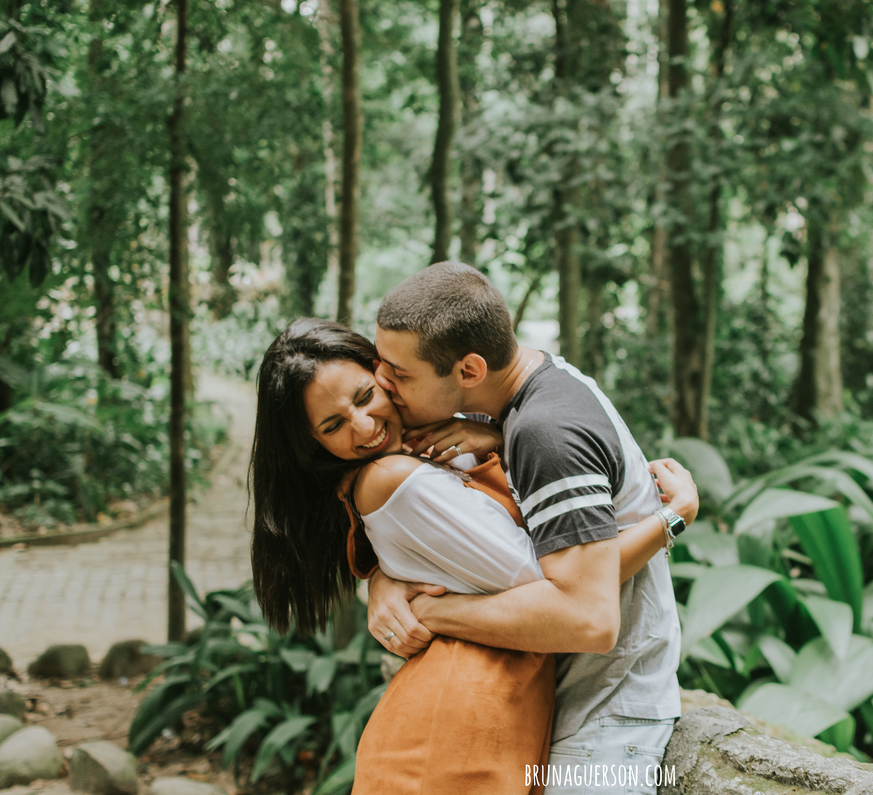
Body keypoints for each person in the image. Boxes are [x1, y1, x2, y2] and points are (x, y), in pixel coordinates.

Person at [248, 318, 698, 795]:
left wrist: (499, 437)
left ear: (384, 373)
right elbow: (559, 589)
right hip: (451, 741)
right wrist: (672, 518)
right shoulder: (393, 478)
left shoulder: (443, 443)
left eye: (364, 397)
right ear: (313, 444)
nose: (365, 426)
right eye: (333, 425)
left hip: (479, 730)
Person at [365, 262, 693, 794]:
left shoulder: (546, 432)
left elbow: (587, 620)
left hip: (604, 722)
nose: (384, 382)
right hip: (579, 709)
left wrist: (428, 611)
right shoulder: (535, 397)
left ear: (469, 371)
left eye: (400, 374)